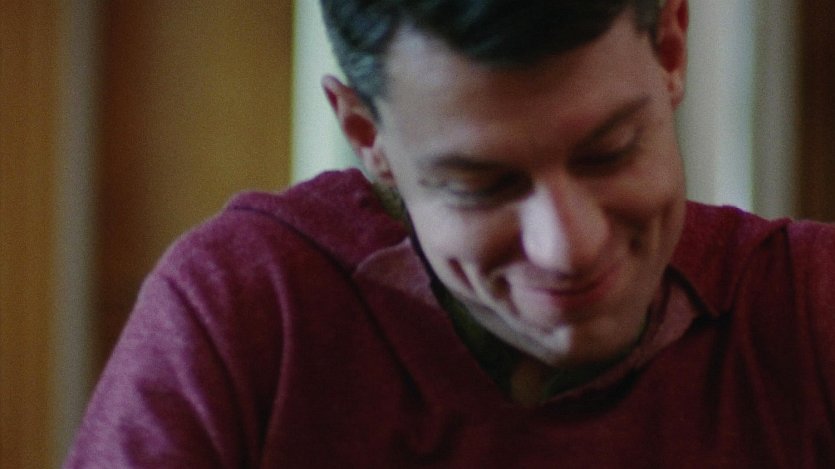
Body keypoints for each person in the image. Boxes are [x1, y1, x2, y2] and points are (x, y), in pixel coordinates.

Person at [66, 0, 835, 466]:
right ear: (366, 134)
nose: (567, 246)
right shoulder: (247, 311)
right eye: (480, 186)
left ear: (670, 48)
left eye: (609, 151)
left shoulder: (808, 311)